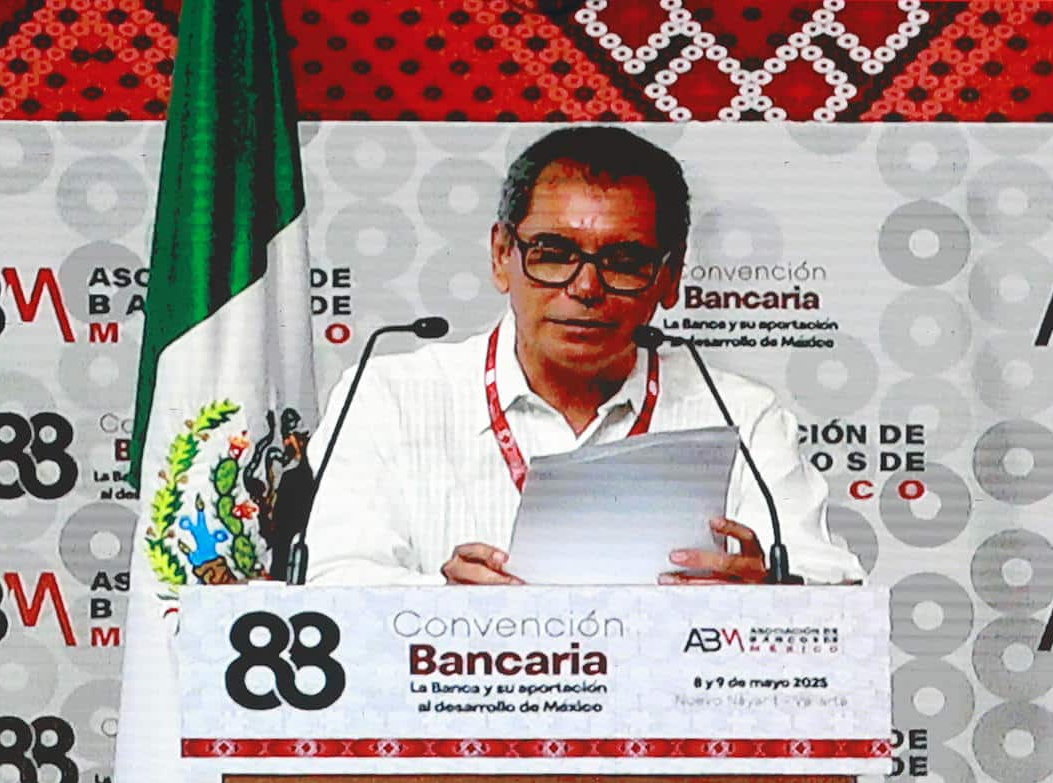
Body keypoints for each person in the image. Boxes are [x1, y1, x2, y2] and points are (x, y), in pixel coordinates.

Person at [302, 125, 864, 587]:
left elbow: (833, 581)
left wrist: (771, 592)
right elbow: (330, 577)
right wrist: (450, 604)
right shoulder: (389, 397)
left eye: (624, 262)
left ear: (669, 278)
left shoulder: (740, 412)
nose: (586, 288)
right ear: (501, 256)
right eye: (553, 254)